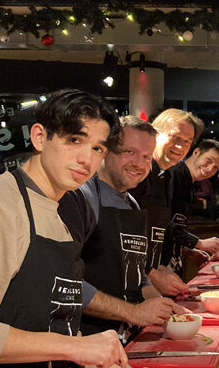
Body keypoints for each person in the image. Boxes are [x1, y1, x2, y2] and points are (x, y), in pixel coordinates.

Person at [0, 89, 127, 368]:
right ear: (40, 137)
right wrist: (76, 345)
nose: (87, 159)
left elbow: (47, 319)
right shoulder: (4, 205)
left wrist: (93, 362)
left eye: (99, 148)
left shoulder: (58, 211)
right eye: (75, 140)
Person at [58, 116, 187, 344]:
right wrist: (133, 312)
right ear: (105, 152)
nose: (139, 163)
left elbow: (137, 277)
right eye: (129, 152)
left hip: (125, 338)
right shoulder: (80, 197)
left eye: (146, 156)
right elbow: (63, 284)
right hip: (86, 343)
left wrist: (165, 309)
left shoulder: (132, 204)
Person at [131, 108, 204, 296]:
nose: (180, 147)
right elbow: (121, 231)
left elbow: (160, 225)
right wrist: (153, 274)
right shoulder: (137, 172)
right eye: (175, 138)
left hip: (149, 275)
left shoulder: (168, 174)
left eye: (187, 142)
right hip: (128, 279)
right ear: (155, 134)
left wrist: (187, 250)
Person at [164, 139, 219, 276]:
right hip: (159, 267)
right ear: (196, 152)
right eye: (209, 160)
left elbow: (173, 230)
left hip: (173, 264)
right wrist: (198, 243)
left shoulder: (189, 184)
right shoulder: (171, 175)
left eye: (216, 167)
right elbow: (160, 223)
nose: (210, 168)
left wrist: (187, 251)